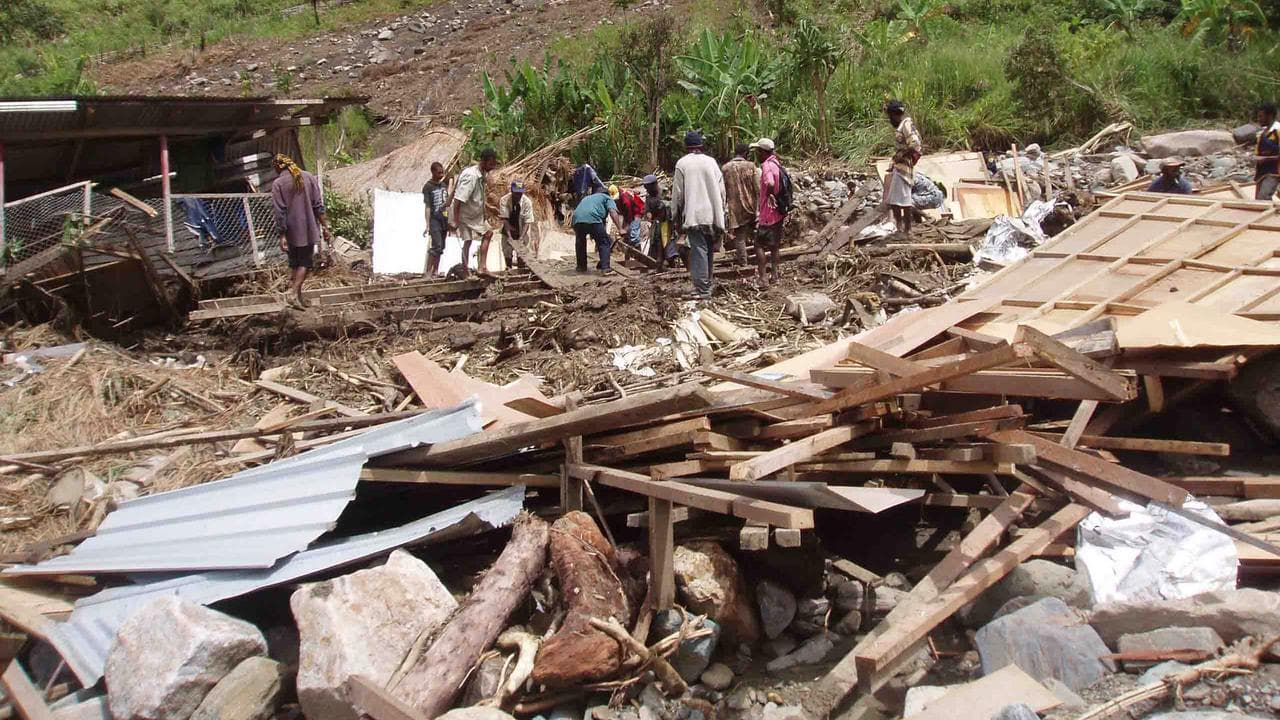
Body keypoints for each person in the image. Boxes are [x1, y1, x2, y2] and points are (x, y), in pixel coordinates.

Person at [270, 154, 330, 309]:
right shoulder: (308, 177)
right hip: (308, 228)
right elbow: (318, 205)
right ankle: (295, 295)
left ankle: (295, 295)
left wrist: (282, 234)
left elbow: (280, 211)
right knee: (304, 263)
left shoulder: (278, 183)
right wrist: (325, 226)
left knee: (296, 263)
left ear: (278, 167)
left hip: (291, 230)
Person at [671, 131, 726, 300]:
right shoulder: (711, 162)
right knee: (708, 249)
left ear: (686, 146)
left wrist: (675, 216)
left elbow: (677, 194)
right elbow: (721, 190)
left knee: (699, 250)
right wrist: (721, 211)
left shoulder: (682, 164)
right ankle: (706, 283)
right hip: (712, 213)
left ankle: (702, 289)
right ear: (701, 145)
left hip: (695, 215)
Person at [449, 147, 499, 276]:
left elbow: (477, 197)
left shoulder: (480, 174)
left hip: (473, 214)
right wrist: (455, 220)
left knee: (473, 239)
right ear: (483, 161)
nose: (492, 167)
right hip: (465, 215)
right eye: (491, 164)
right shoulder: (471, 176)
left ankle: (475, 269)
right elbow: (458, 199)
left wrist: (487, 209)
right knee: (479, 236)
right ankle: (474, 269)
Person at [884, 100, 923, 234]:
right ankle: (901, 228)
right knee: (895, 200)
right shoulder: (903, 125)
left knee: (903, 200)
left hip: (904, 167)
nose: (890, 119)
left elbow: (915, 143)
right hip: (900, 167)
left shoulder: (906, 124)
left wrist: (902, 155)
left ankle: (906, 230)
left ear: (895, 114)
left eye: (890, 116)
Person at [752, 137, 786, 287]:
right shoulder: (776, 163)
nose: (757, 154)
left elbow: (770, 182)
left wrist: (770, 194)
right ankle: (775, 275)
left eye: (758, 151)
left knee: (758, 245)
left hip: (768, 214)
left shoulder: (766, 165)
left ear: (763, 152)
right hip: (778, 213)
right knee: (775, 246)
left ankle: (763, 278)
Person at [722, 143, 760, 266]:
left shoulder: (725, 168)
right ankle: (760, 259)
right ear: (746, 154)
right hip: (751, 206)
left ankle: (743, 263)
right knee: (757, 233)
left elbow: (723, 190)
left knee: (740, 238)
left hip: (735, 208)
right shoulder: (751, 166)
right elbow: (758, 188)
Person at [572, 187, 626, 273]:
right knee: (604, 242)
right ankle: (605, 268)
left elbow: (582, 211)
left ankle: (581, 267)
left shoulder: (588, 198)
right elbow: (612, 211)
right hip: (593, 218)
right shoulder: (607, 198)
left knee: (580, 243)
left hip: (577, 219)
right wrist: (620, 228)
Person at [499, 181, 537, 268]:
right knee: (507, 252)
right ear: (512, 191)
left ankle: (521, 269)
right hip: (509, 228)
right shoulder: (504, 200)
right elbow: (505, 219)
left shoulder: (527, 202)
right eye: (516, 193)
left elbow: (527, 222)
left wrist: (521, 237)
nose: (518, 196)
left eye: (520, 193)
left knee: (522, 253)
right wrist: (509, 236)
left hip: (521, 229)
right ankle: (508, 269)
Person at [421, 161, 450, 277]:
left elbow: (447, 203)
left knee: (441, 246)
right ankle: (428, 271)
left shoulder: (443, 186)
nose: (441, 174)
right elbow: (428, 207)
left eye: (442, 172)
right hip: (434, 220)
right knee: (436, 245)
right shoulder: (428, 187)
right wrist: (427, 224)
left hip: (444, 219)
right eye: (439, 173)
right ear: (433, 172)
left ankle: (436, 271)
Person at [1254, 103, 1279, 201]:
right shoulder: (1261, 133)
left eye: (1261, 116)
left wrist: (1265, 159)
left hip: (1275, 171)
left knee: (1263, 198)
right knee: (1258, 201)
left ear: (1270, 116)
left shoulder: (1278, 130)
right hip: (1262, 172)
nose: (1258, 119)